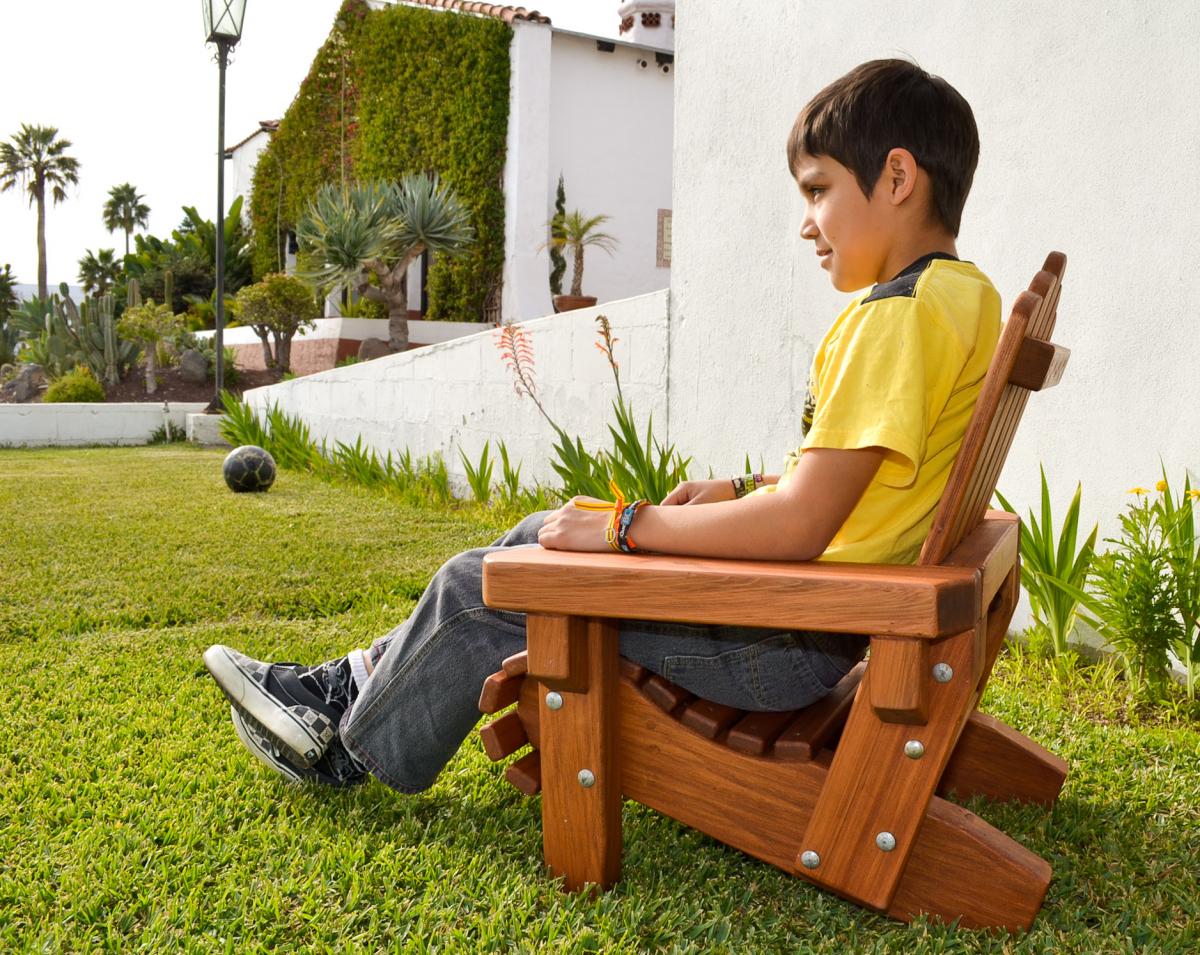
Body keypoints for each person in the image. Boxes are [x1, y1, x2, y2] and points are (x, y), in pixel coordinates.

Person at [204, 58, 999, 791]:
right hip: (810, 618)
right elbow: (873, 479)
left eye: (818, 190)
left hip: (781, 639)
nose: (806, 223)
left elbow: (800, 524)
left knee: (479, 587)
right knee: (539, 532)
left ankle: (347, 746)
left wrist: (628, 529)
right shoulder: (964, 298)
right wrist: (744, 485)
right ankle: (350, 680)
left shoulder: (894, 316)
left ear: (898, 176)